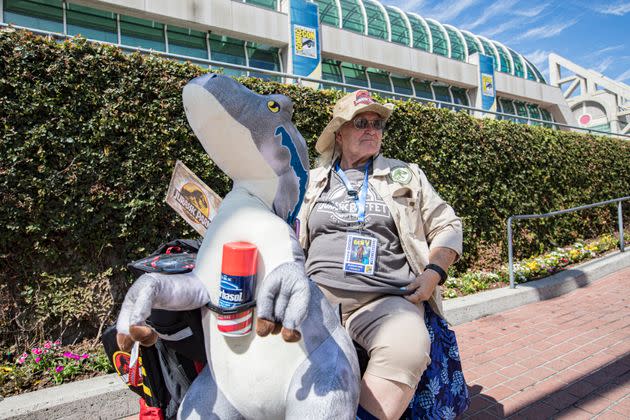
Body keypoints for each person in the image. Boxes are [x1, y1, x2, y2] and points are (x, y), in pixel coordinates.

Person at [297, 90, 463, 420]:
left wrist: (434, 273)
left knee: (407, 348)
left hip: (385, 300)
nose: (372, 129)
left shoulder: (406, 175)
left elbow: (447, 224)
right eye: (361, 123)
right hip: (315, 298)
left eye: (377, 123)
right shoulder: (310, 181)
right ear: (339, 133)